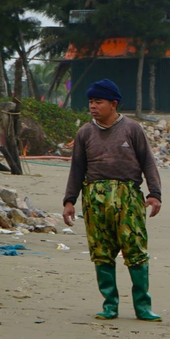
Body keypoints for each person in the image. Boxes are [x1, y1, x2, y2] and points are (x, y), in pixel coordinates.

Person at [62, 79, 162, 321]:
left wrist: (154, 194)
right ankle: (110, 305)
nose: (93, 107)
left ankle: (142, 306)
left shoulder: (132, 128)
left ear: (113, 104)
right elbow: (77, 169)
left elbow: (148, 161)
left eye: (98, 102)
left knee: (135, 249)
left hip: (128, 196)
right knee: (101, 251)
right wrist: (69, 201)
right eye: (90, 102)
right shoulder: (85, 132)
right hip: (95, 198)